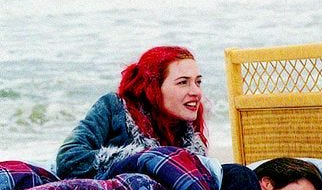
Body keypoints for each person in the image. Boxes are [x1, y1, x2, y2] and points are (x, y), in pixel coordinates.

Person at [56, 46, 208, 179]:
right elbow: (68, 160)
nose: (196, 92)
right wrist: (144, 160)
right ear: (153, 87)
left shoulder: (187, 132)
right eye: (183, 82)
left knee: (230, 173)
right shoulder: (114, 107)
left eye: (198, 82)